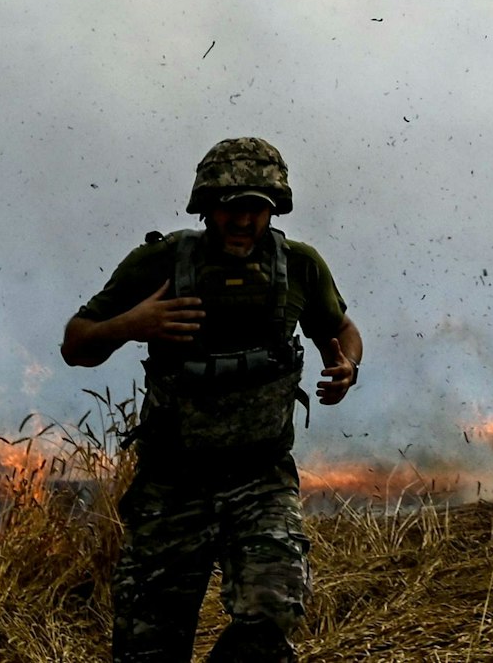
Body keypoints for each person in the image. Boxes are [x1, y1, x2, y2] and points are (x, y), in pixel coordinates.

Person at [61, 137, 363, 663]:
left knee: (273, 615)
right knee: (147, 646)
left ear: (274, 209)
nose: (244, 220)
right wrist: (134, 324)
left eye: (257, 207)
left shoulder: (299, 267)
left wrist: (346, 367)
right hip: (171, 483)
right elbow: (75, 344)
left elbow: (340, 329)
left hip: (261, 478)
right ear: (206, 207)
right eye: (231, 207)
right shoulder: (158, 264)